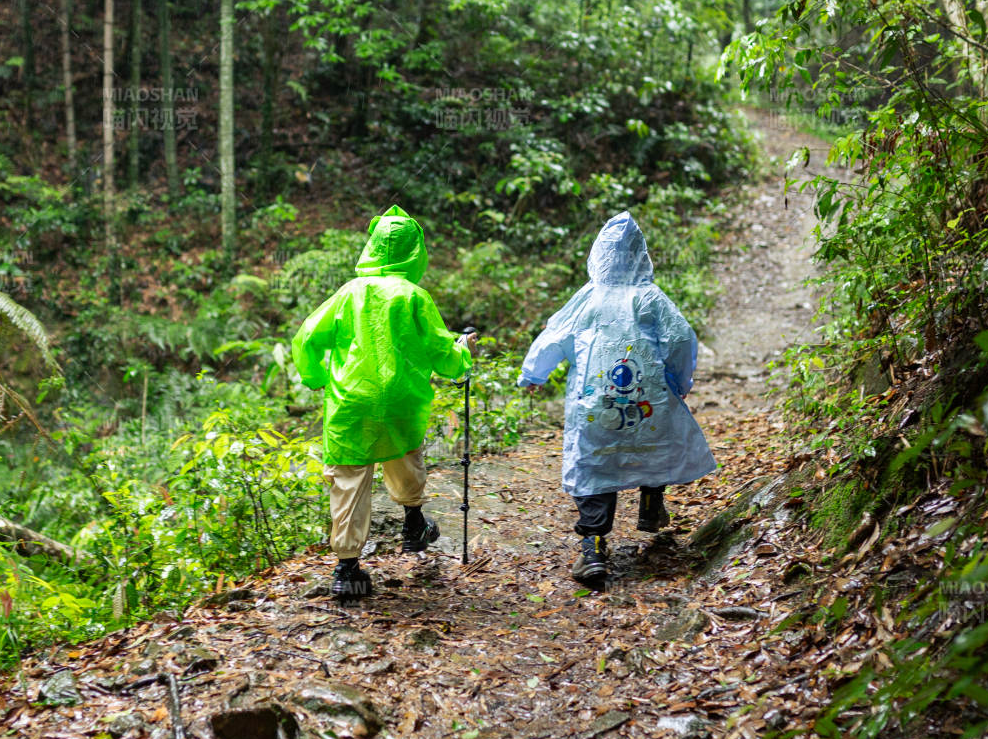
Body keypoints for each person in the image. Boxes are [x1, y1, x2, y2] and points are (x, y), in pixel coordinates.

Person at [518, 211, 717, 586]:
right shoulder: (650, 297)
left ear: (598, 254)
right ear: (640, 254)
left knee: (594, 466)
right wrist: (679, 378)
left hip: (595, 407)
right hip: (648, 399)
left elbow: (554, 335)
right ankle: (651, 503)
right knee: (655, 444)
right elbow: (679, 338)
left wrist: (534, 373)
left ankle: (592, 549)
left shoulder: (586, 299)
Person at [292, 205, 473, 602]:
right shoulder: (415, 297)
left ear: (372, 248)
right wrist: (463, 354)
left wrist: (316, 377)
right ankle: (413, 525)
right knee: (405, 456)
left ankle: (347, 569)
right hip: (402, 401)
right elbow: (444, 355)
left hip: (351, 400)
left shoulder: (348, 294)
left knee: (349, 478)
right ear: (415, 251)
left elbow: (307, 337)